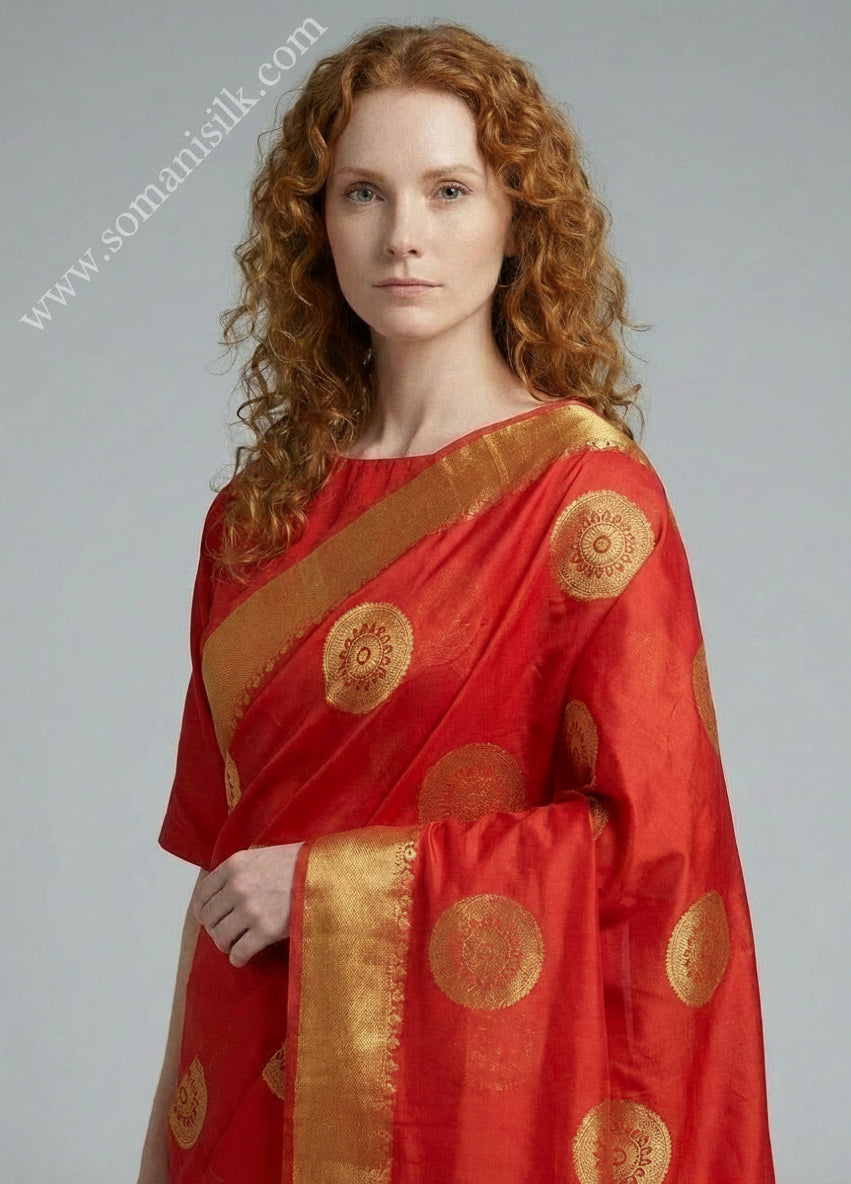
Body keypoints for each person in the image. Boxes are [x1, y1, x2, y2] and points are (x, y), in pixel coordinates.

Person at [137, 20, 777, 1184]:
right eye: (363, 193)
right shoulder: (253, 519)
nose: (405, 236)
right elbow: (222, 869)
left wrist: (329, 888)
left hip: (467, 1112)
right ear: (314, 224)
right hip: (240, 1084)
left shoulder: (588, 501)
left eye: (448, 189)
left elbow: (652, 846)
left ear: (516, 217)